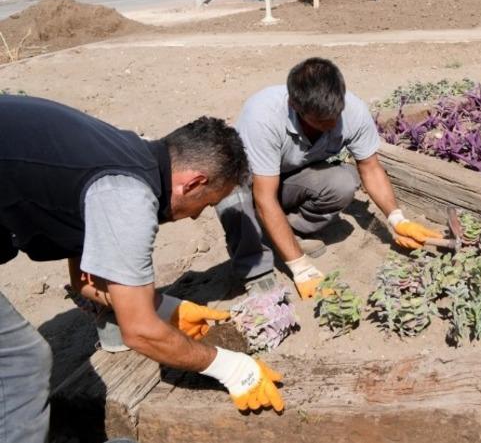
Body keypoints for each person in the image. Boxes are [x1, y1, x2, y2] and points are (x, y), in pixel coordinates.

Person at [0, 98, 283, 443]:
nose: (196, 216)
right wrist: (231, 367)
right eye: (207, 203)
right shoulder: (127, 195)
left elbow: (84, 280)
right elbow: (139, 333)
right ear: (192, 183)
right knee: (21, 362)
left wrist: (166, 307)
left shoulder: (127, 154)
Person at [216, 57, 440, 298]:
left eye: (336, 114)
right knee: (230, 198)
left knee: (343, 182)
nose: (332, 123)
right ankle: (256, 269)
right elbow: (264, 197)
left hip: (289, 175)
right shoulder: (264, 117)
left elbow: (371, 169)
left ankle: (287, 235)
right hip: (248, 180)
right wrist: (300, 268)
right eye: (321, 121)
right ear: (295, 105)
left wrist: (398, 220)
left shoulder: (353, 110)